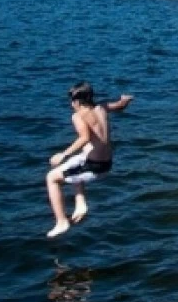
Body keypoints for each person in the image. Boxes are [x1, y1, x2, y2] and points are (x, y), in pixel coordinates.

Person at [46, 81, 133, 238]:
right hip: (107, 164)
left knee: (51, 178)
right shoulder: (102, 108)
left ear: (77, 101)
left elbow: (84, 138)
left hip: (94, 167)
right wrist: (124, 100)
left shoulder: (78, 116)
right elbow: (119, 106)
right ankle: (80, 203)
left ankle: (61, 222)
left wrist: (62, 154)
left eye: (72, 101)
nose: (72, 104)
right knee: (76, 161)